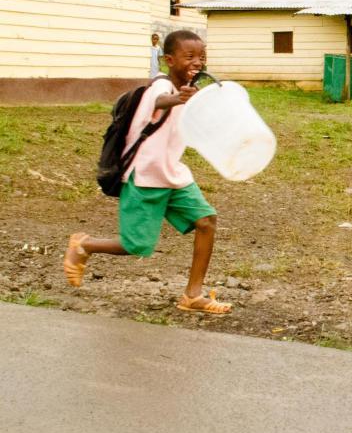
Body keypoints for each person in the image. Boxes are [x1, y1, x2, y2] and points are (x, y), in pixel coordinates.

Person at [63, 30, 231, 315]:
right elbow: (159, 102)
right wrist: (179, 98)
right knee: (137, 245)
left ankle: (193, 294)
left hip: (174, 175)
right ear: (169, 59)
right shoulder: (160, 87)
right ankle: (85, 244)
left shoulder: (190, 92)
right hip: (146, 177)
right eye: (189, 56)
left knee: (206, 221)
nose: (197, 62)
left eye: (201, 56)